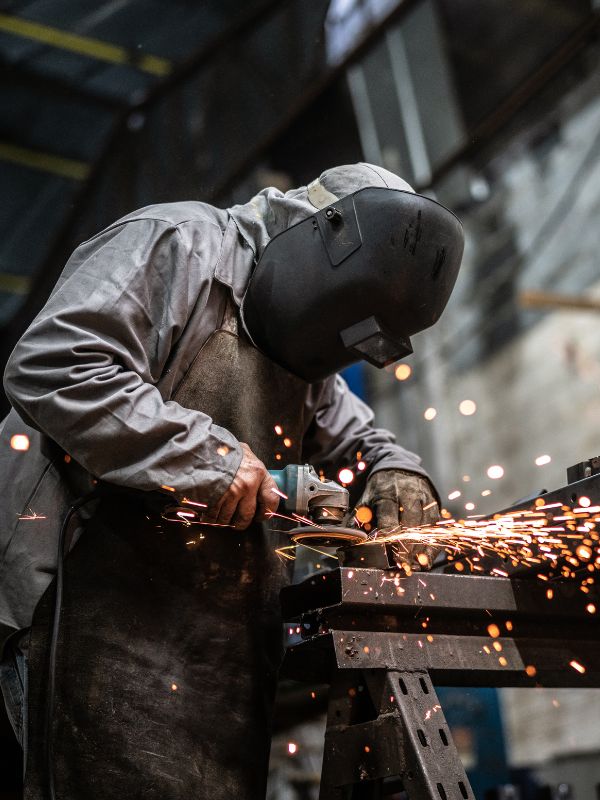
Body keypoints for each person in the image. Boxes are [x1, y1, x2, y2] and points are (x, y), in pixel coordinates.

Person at [0, 163, 463, 799]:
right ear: (315, 239)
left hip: (216, 646)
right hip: (88, 610)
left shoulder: (308, 348)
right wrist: (212, 459)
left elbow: (362, 439)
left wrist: (398, 472)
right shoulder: (178, 243)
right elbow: (53, 364)